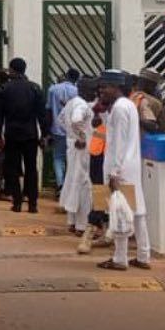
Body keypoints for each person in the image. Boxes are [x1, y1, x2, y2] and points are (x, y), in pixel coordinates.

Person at [95, 69, 151, 271]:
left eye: (105, 86)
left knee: (118, 212)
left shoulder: (119, 108)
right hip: (132, 166)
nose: (101, 90)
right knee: (137, 212)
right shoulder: (127, 105)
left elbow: (117, 143)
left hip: (119, 168)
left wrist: (114, 173)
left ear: (117, 87)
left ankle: (120, 258)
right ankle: (144, 255)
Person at [0, 58, 45, 214]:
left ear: (11, 70)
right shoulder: (35, 88)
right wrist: (45, 134)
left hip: (12, 134)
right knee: (31, 169)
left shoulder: (4, 89)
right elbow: (41, 115)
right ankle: (33, 204)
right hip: (30, 134)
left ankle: (17, 202)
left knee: (13, 169)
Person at [58, 77, 95, 235]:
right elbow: (75, 120)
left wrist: (70, 135)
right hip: (82, 149)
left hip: (72, 148)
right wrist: (81, 137)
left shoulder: (72, 102)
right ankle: (81, 225)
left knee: (73, 182)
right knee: (83, 185)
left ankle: (71, 221)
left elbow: (60, 120)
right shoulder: (81, 104)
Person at [46, 67, 80, 191]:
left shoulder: (53, 89)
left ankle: (60, 185)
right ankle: (70, 187)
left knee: (58, 158)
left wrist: (47, 130)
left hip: (57, 128)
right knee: (72, 158)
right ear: (77, 79)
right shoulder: (78, 91)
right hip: (73, 130)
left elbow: (48, 110)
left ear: (66, 75)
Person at [131, 68, 164, 134]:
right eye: (155, 85)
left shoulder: (129, 95)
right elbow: (159, 127)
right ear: (151, 85)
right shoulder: (154, 102)